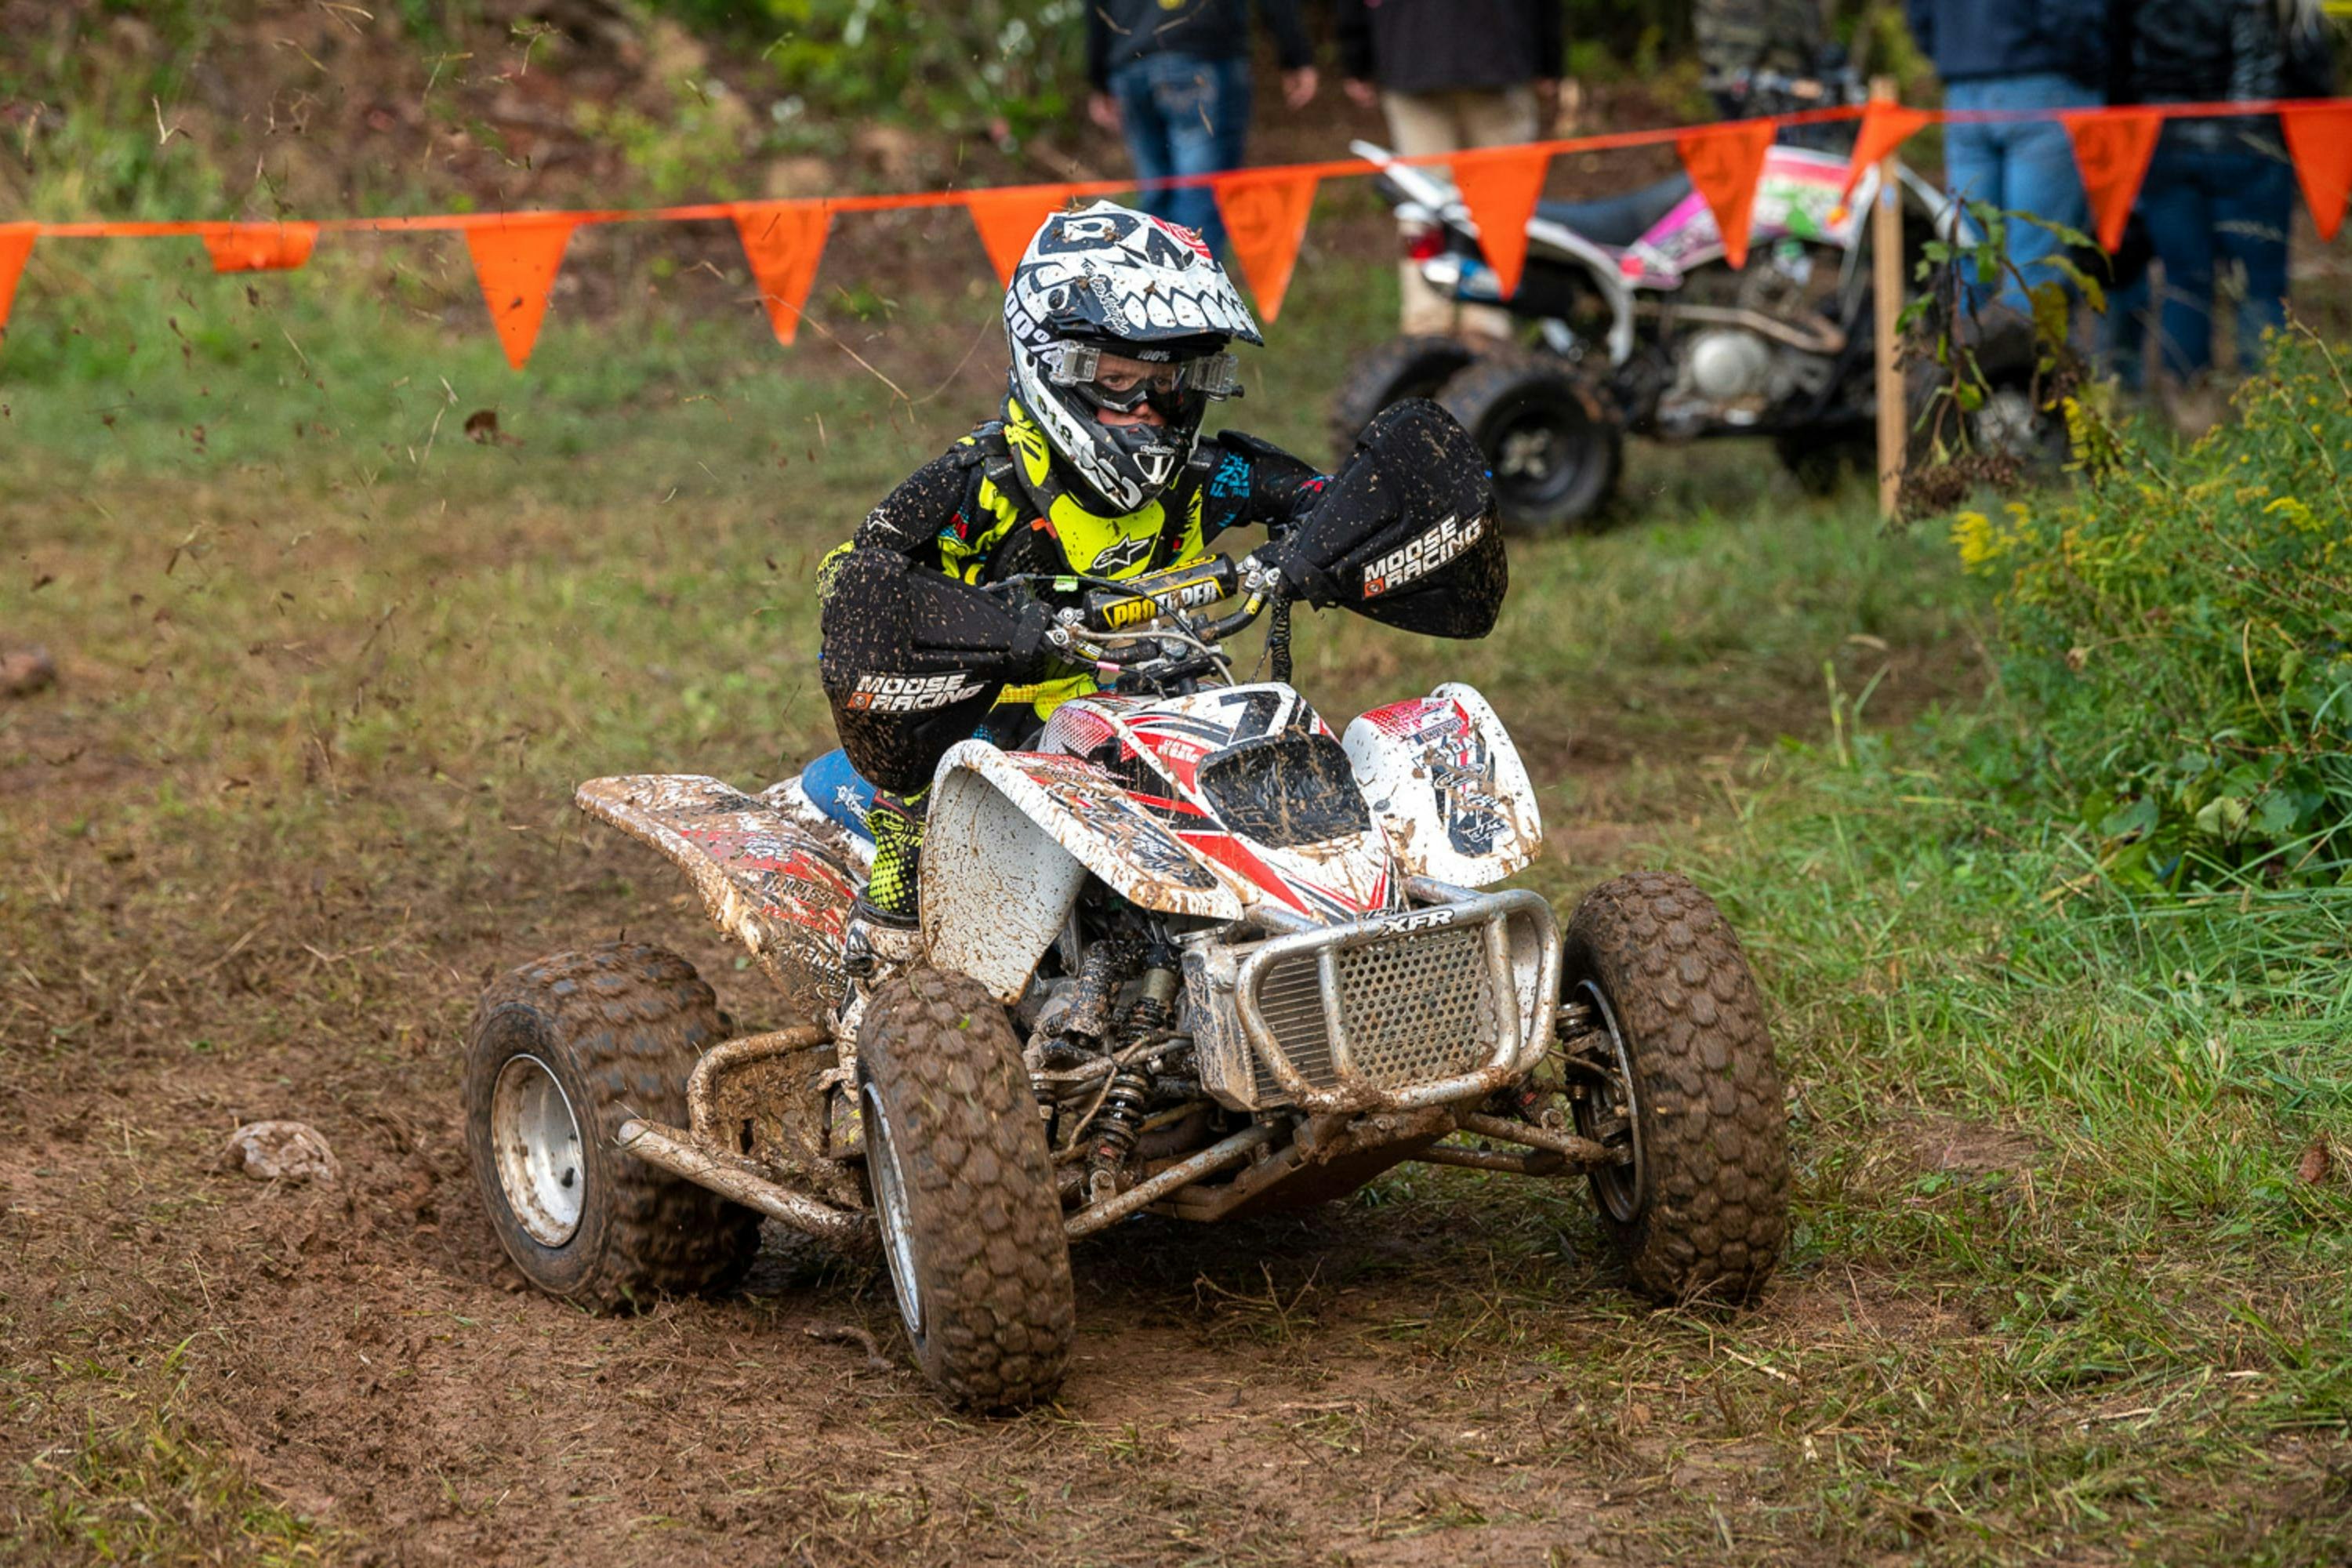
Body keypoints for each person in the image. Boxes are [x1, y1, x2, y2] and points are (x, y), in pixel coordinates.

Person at [813, 201, 1499, 981]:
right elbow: (853, 576)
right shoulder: (980, 487)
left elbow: (1320, 491)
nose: (1146, 407)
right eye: (1116, 381)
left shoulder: (1204, 476)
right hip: (992, 736)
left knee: (1313, 798)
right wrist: (994, 622)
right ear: (1052, 365)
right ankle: (883, 975)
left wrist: (1326, 542)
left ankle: (1354, 962)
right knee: (915, 811)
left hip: (1166, 712)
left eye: (1169, 384)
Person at [2108, 0, 2337, 390]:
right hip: (2251, 141)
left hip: (2165, 141)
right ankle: (2271, 402)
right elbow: (2308, 62)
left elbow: (2116, 58)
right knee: (2261, 285)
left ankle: (2189, 404)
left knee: (2185, 280)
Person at [1336, 0, 1566, 339]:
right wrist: (1550, 58)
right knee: (1493, 199)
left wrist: (1357, 57)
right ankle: (1485, 319)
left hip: (1413, 52)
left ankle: (1429, 319)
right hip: (1494, 50)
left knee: (1424, 200)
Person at [1904, 0, 2107, 314]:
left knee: (1969, 255)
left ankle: (1967, 354)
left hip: (1964, 90)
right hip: (2041, 83)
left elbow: (1920, 16)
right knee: (2034, 261)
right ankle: (2025, 360)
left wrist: (1955, 52)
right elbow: (2068, 16)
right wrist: (2091, 63)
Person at [1086, 0, 1319, 258]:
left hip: (1130, 63)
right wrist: (1295, 54)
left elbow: (1095, 8)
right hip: (1200, 54)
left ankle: (1156, 292)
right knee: (1200, 196)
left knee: (1157, 195)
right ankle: (1191, 292)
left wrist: (1098, 78)